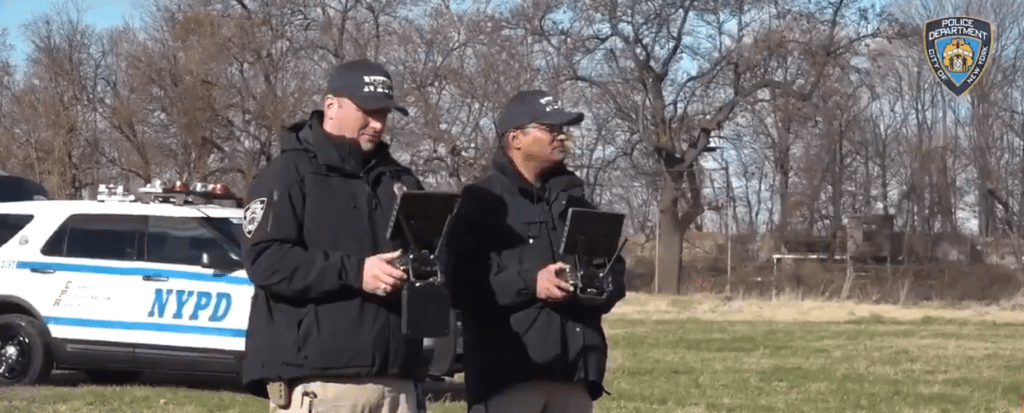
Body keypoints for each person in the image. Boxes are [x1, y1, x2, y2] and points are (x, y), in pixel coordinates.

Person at [241, 58, 427, 413]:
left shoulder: (399, 181)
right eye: (368, 111)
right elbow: (266, 261)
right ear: (331, 106)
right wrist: (356, 273)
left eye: (385, 114)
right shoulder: (287, 174)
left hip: (399, 379)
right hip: (322, 382)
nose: (378, 123)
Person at [445, 89, 627, 413]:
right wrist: (532, 283)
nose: (561, 135)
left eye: (563, 128)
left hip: (574, 378)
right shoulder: (481, 202)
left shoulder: (577, 201)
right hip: (508, 381)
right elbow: (460, 281)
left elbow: (614, 269)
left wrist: (597, 285)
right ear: (516, 138)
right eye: (549, 128)